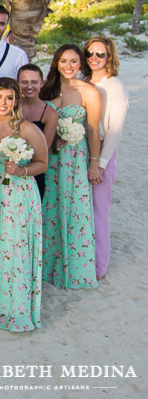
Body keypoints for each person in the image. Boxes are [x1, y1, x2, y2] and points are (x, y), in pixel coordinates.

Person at [0, 78, 47, 332]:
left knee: (12, 248)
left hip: (18, 194)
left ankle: (11, 307)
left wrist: (21, 170)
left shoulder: (26, 129)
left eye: (8, 98)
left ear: (15, 100)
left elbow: (43, 163)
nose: (3, 103)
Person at [39, 44, 102, 289]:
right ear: (56, 63)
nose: (69, 66)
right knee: (50, 208)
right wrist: (53, 140)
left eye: (74, 61)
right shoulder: (47, 89)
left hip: (75, 160)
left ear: (81, 64)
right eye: (64, 61)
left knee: (75, 210)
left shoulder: (89, 92)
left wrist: (94, 164)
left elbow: (94, 130)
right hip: (51, 159)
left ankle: (75, 268)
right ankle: (50, 267)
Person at [83, 35, 128, 281]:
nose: (94, 58)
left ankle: (100, 266)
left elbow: (115, 131)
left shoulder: (115, 87)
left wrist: (100, 164)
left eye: (100, 54)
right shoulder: (82, 81)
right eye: (90, 53)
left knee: (99, 209)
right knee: (82, 209)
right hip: (80, 150)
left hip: (102, 152)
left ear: (109, 56)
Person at [18, 64, 57, 199]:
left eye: (34, 82)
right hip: (9, 169)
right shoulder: (10, 107)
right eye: (24, 82)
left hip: (34, 174)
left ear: (42, 84)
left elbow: (44, 150)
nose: (29, 86)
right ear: (18, 83)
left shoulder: (49, 113)